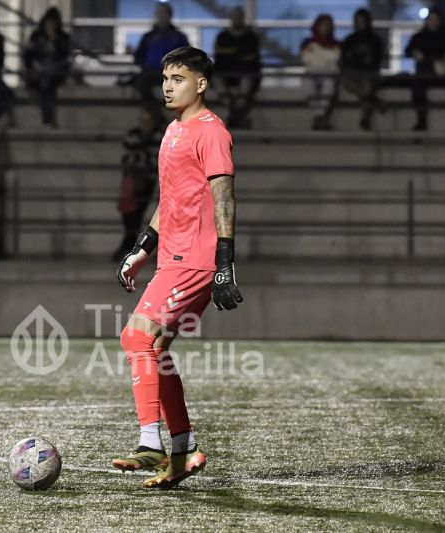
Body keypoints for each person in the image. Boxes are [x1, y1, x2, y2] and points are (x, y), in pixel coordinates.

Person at [112, 46, 242, 489]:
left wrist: (224, 263)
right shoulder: (172, 130)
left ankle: (151, 442)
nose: (168, 87)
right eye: (165, 78)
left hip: (194, 259)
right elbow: (171, 200)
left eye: (179, 78)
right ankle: (184, 450)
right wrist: (141, 249)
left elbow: (224, 198)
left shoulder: (212, 132)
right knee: (157, 348)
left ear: (201, 84)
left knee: (135, 337)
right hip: (173, 256)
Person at [113, 107, 162, 262]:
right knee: (129, 214)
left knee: (138, 213)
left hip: (148, 180)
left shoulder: (157, 136)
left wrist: (141, 157)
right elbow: (127, 157)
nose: (144, 125)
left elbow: (155, 159)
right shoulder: (134, 135)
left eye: (147, 121)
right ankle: (129, 245)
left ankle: (129, 246)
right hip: (133, 179)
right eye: (142, 121)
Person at [405, 8, 445, 131]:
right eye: (431, 19)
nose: (433, 22)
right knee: (417, 85)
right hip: (425, 72)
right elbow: (408, 51)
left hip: (444, 72)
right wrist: (415, 53)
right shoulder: (419, 37)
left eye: (436, 19)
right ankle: (421, 120)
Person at [213, 6, 261, 129]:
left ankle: (234, 117)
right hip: (225, 72)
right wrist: (237, 56)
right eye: (234, 16)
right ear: (230, 18)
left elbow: (251, 59)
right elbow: (220, 57)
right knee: (217, 80)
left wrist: (233, 56)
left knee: (246, 82)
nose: (236, 19)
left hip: (247, 72)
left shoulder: (251, 36)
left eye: (239, 16)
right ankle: (237, 116)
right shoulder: (223, 36)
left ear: (243, 18)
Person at [22, 7, 70, 127]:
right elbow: (29, 56)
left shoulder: (63, 37)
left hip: (55, 69)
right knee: (46, 85)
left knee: (47, 82)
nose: (51, 25)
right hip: (39, 68)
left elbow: (64, 56)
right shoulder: (36, 35)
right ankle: (48, 119)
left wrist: (55, 40)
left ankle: (48, 119)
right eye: (49, 22)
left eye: (53, 22)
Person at [133, 2, 189, 105]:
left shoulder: (178, 37)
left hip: (171, 73)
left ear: (169, 15)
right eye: (158, 13)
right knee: (140, 81)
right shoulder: (148, 37)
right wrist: (145, 66)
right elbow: (138, 56)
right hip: (150, 72)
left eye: (163, 13)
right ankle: (155, 110)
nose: (160, 16)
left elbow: (187, 56)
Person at [340, 8, 384, 130]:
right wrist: (358, 62)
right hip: (352, 73)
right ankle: (374, 100)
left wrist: (358, 61)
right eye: (357, 21)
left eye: (362, 21)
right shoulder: (349, 39)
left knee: (367, 86)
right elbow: (345, 60)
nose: (360, 24)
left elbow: (375, 61)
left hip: (369, 73)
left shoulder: (375, 40)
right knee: (347, 81)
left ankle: (365, 118)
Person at [301, 14, 341, 131]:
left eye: (327, 25)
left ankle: (319, 116)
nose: (325, 28)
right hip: (311, 72)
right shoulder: (307, 42)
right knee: (307, 83)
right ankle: (319, 117)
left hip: (328, 73)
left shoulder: (335, 43)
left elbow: (334, 57)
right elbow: (306, 58)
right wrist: (325, 54)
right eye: (322, 25)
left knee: (329, 84)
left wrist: (316, 50)